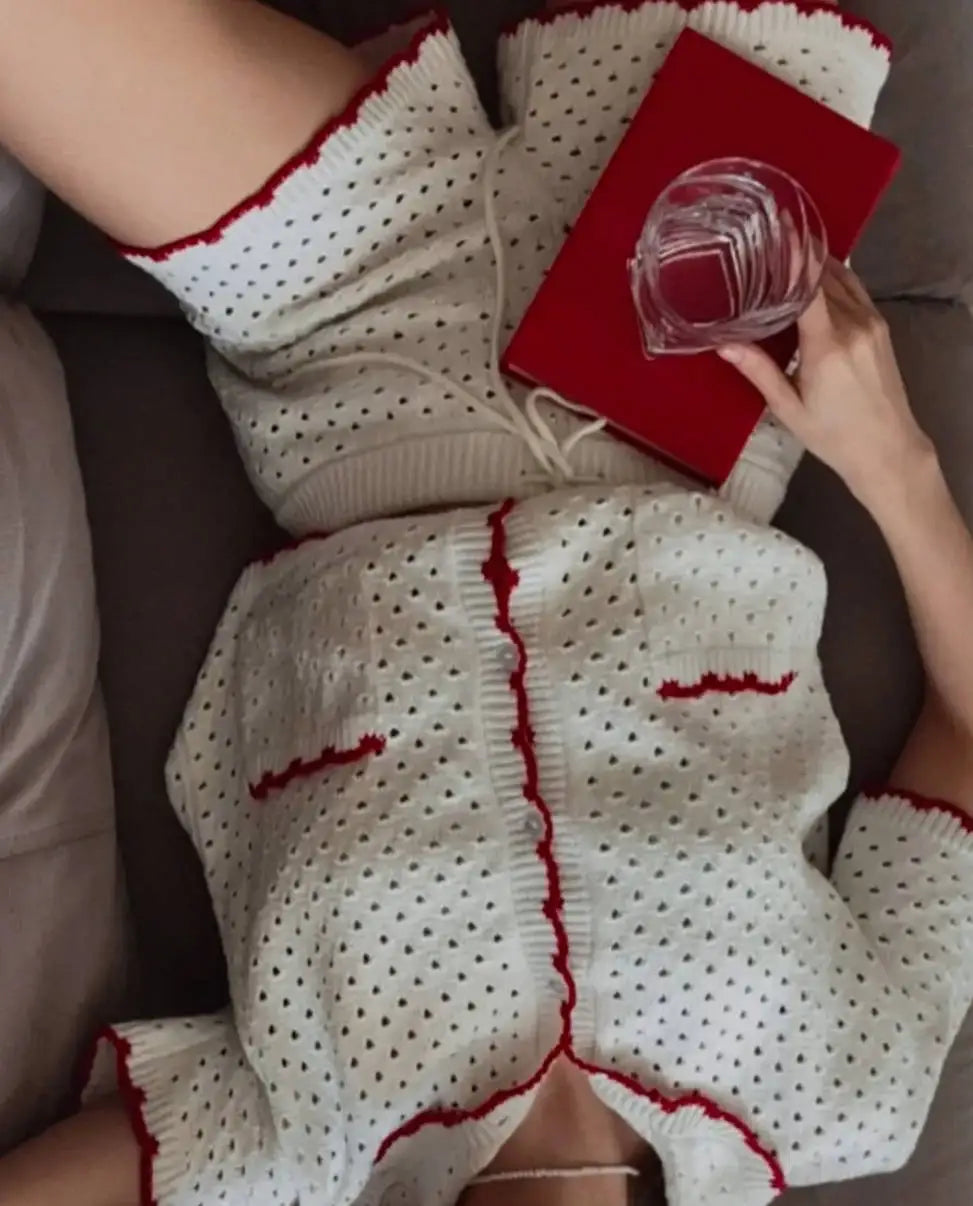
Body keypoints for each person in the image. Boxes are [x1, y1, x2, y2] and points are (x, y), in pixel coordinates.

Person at [0, 1, 971, 1204]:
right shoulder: (842, 1094)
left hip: (352, 325)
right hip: (688, 318)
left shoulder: (305, 1153)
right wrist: (892, 462)